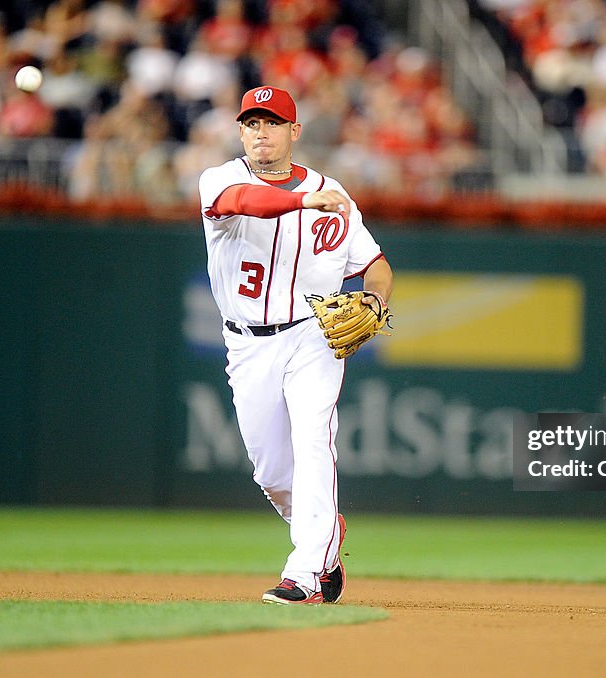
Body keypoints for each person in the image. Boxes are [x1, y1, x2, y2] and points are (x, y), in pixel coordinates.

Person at [198, 85, 394, 604]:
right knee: (270, 471)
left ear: (294, 131)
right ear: (241, 130)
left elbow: (375, 268)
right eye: (251, 123)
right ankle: (326, 538)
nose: (260, 132)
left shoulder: (335, 194)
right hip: (245, 342)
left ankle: (304, 573)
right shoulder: (220, 179)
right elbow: (248, 202)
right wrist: (302, 201)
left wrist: (374, 300)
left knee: (313, 442)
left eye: (272, 123)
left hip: (312, 336)